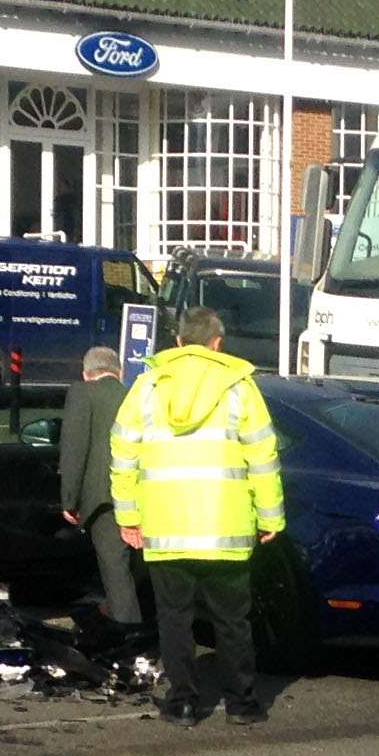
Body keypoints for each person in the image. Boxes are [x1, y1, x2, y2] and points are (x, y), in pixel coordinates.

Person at [110, 306, 285, 727]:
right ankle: (241, 704)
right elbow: (263, 456)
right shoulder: (240, 388)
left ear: (177, 341)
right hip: (225, 530)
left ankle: (183, 702)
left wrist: (128, 516)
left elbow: (122, 454)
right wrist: (270, 518)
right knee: (232, 622)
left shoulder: (147, 386)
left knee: (174, 621)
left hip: (165, 530)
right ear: (217, 342)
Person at [60, 346, 143, 627]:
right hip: (144, 493)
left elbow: (74, 449)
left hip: (104, 498)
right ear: (119, 372)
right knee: (140, 569)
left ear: (86, 374)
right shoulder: (134, 396)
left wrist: (69, 499)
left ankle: (127, 630)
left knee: (115, 569)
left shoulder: (82, 393)